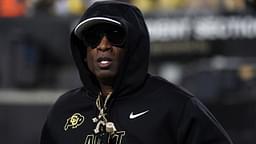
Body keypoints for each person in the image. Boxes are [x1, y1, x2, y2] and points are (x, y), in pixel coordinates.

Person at [40, 1, 233, 144]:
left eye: (116, 35)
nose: (103, 45)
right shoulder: (64, 110)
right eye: (93, 38)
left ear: (134, 46)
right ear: (84, 52)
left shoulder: (175, 106)